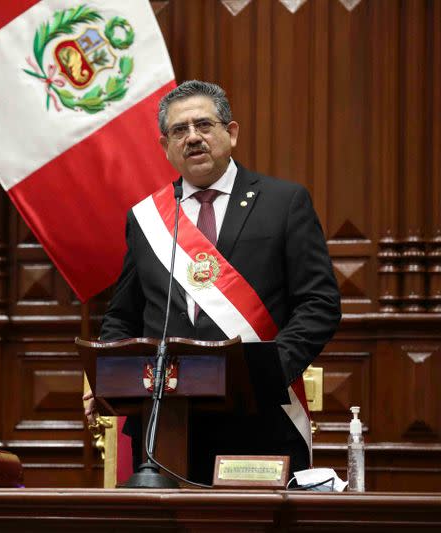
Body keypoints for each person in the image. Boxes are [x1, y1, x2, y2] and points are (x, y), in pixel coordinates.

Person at [84, 80, 341, 484]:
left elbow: (319, 303)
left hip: (258, 418)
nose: (192, 138)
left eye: (203, 125)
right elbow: (123, 314)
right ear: (165, 146)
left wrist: (269, 372)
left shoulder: (283, 202)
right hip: (165, 424)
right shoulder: (147, 218)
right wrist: (104, 371)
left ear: (231, 133)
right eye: (179, 131)